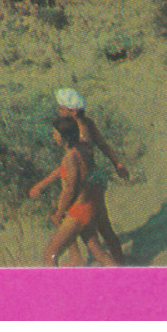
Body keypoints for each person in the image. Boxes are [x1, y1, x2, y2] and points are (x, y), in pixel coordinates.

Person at [28, 116, 116, 267]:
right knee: (97, 251)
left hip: (78, 211)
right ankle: (124, 279)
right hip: (89, 206)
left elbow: (71, 188)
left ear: (64, 138)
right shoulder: (82, 147)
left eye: (55, 134)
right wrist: (42, 185)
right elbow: (65, 170)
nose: (53, 136)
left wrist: (60, 212)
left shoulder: (70, 157)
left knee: (50, 255)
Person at [54, 88, 129, 263]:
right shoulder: (87, 123)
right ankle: (117, 261)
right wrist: (117, 163)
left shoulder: (78, 131)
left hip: (88, 184)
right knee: (102, 226)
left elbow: (80, 160)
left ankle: (86, 258)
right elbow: (103, 144)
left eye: (61, 108)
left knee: (89, 225)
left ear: (71, 111)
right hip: (94, 180)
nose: (58, 112)